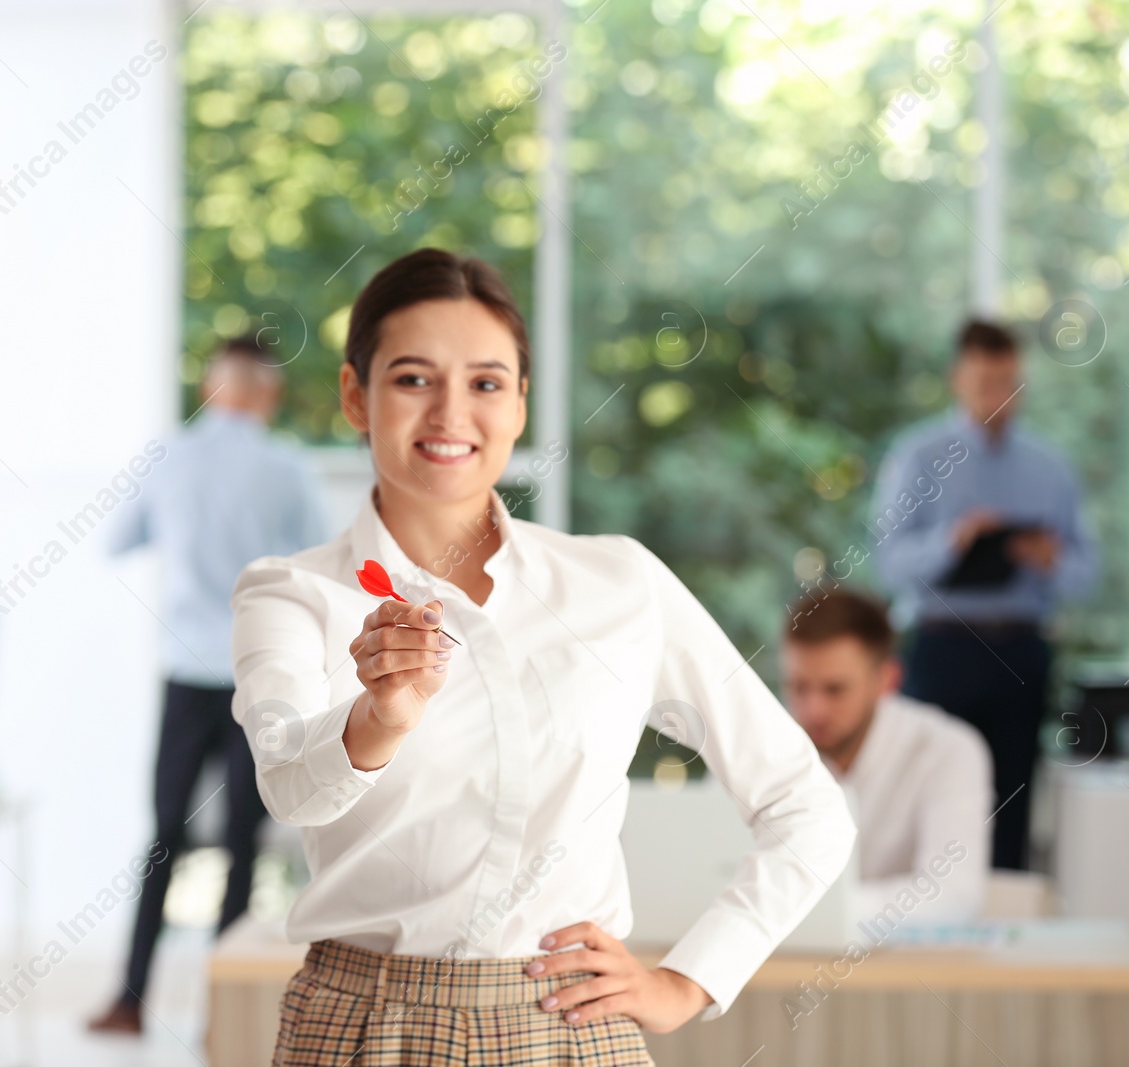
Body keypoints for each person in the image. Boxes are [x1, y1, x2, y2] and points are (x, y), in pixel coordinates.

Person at [229, 248, 856, 1066]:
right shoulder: (291, 593)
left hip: (566, 1026)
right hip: (363, 1027)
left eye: (486, 382)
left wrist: (688, 980)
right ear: (357, 395)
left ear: (521, 404)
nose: (452, 413)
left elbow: (805, 806)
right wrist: (377, 719)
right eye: (414, 379)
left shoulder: (618, 581)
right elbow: (285, 782)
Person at [89, 335, 330, 1035]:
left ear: (209, 390)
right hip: (258, 674)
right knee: (243, 840)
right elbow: (315, 561)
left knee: (165, 832)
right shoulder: (286, 467)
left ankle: (129, 999)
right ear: (269, 395)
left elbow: (117, 541)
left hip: (185, 671)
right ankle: (220, 1015)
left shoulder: (168, 456)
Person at [870, 319, 1097, 871]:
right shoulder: (917, 456)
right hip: (943, 650)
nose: (998, 396)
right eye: (984, 382)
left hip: (1020, 651)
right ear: (958, 379)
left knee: (1011, 804)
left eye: (1009, 382)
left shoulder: (1050, 467)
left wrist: (1050, 560)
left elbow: (1087, 573)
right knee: (929, 798)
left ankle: (1003, 937)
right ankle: (924, 927)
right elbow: (887, 564)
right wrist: (953, 542)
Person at [781, 588, 992, 926]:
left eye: (834, 689)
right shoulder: (761, 746)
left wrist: (798, 911)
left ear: (887, 679)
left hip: (905, 973)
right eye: (799, 687)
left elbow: (953, 896)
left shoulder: (947, 749)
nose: (814, 710)